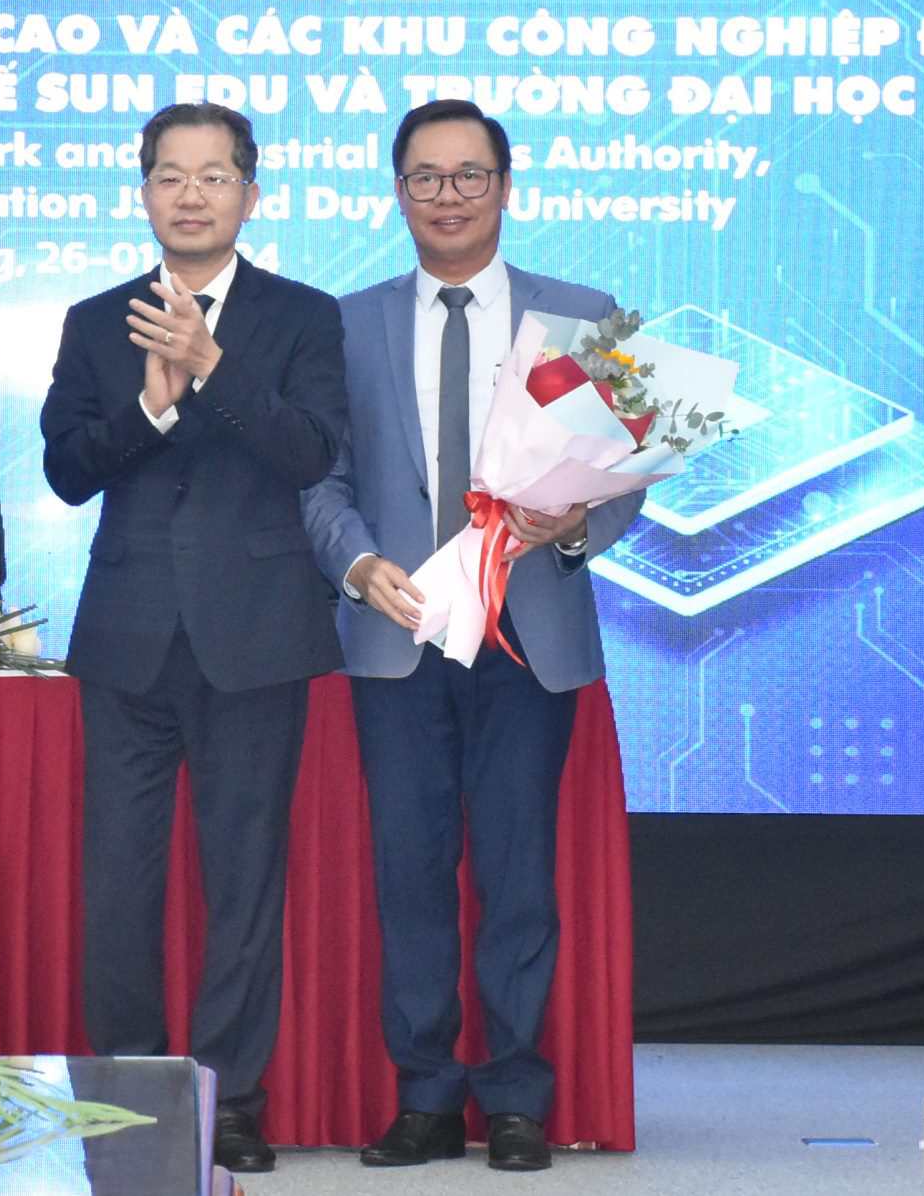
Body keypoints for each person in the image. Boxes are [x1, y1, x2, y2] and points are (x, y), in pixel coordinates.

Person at [300, 99, 643, 1173]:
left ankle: (516, 1098)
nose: (447, 196)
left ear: (506, 184)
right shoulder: (342, 323)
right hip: (397, 637)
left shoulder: (586, 313)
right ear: (397, 191)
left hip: (526, 636)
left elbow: (628, 472)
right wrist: (355, 562)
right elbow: (322, 479)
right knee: (410, 872)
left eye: (468, 175)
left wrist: (578, 520)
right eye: (425, 178)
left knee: (518, 874)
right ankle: (426, 1092)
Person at [38, 103, 346, 1177]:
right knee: (119, 879)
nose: (191, 195)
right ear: (144, 192)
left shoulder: (304, 318)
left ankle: (234, 1094)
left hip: (257, 637)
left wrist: (212, 368)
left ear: (250, 195)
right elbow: (68, 470)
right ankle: (124, 1089)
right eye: (170, 176)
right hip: (126, 637)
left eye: (214, 177)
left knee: (244, 875)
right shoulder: (94, 321)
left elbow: (312, 452)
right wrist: (153, 410)